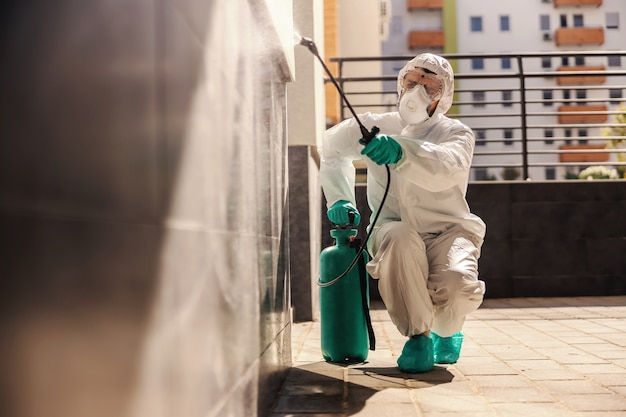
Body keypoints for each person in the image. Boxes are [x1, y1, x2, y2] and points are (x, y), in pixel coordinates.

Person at [319, 53, 486, 373]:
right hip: (392, 226)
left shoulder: (457, 134)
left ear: (445, 94)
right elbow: (331, 148)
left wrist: (402, 151)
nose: (417, 91)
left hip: (449, 229)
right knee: (399, 239)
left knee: (456, 286)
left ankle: (447, 329)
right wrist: (340, 198)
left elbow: (445, 167)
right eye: (412, 82)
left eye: (430, 86)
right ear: (400, 85)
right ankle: (418, 337)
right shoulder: (375, 126)